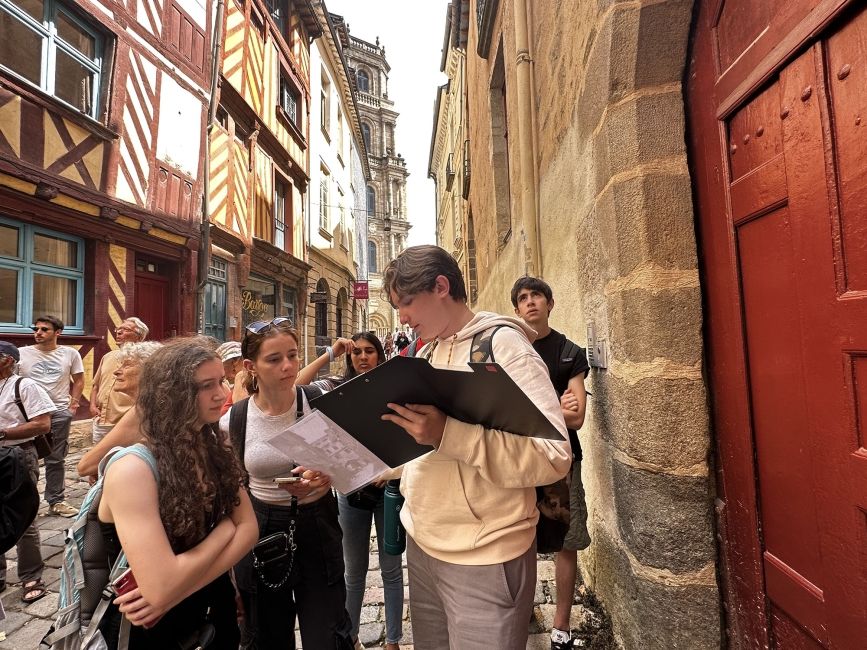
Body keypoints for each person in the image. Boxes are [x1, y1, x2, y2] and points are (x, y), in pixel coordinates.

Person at [379, 245, 571, 649]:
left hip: (486, 556)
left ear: (442, 287)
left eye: (407, 302)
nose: (403, 318)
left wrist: (449, 434)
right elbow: (422, 450)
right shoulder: (426, 351)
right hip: (423, 545)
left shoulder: (505, 347)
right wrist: (350, 466)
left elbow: (554, 455)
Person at [96, 337, 258, 647]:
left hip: (209, 612)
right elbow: (159, 586)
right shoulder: (134, 469)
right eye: (205, 386)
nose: (222, 394)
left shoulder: (215, 444)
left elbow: (249, 529)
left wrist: (177, 590)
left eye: (222, 381)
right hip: (154, 630)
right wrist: (225, 530)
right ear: (172, 394)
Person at [219, 318, 353, 649]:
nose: (288, 366)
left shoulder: (319, 403)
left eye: (292, 356)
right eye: (275, 359)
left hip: (317, 525)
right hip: (262, 528)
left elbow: (351, 463)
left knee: (328, 633)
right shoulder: (234, 419)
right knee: (268, 634)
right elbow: (231, 489)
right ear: (251, 366)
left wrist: (326, 475)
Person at [298, 332, 404, 650]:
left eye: (369, 351)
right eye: (356, 352)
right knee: (354, 572)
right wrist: (331, 352)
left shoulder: (393, 389)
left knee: (391, 570)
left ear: (379, 355)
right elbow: (295, 389)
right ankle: (351, 637)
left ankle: (394, 640)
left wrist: (392, 469)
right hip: (352, 494)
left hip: (389, 494)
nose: (362, 357)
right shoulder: (335, 387)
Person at [511, 276, 591, 650]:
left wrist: (544, 413)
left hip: (563, 462)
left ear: (550, 303)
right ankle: (523, 609)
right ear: (516, 310)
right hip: (521, 462)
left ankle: (561, 625)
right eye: (523, 298)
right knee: (519, 539)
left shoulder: (569, 352)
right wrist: (554, 408)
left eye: (537, 296)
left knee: (566, 543)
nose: (530, 303)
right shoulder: (512, 352)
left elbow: (577, 419)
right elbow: (502, 414)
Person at [0, 341, 53, 603]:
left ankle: (31, 575)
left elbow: (43, 424)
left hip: (19, 456)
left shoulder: (25, 386)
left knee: (23, 516)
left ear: (8, 360)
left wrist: (3, 432)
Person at [18, 315, 84, 518]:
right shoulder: (22, 354)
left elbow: (79, 380)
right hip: (29, 415)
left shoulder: (70, 354)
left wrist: (72, 405)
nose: (38, 333)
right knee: (24, 458)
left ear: (58, 333)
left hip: (58, 413)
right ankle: (23, 502)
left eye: (44, 329)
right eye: (36, 329)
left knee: (56, 459)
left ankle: (56, 501)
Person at [76, 342, 162, 482]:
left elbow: (85, 466)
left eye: (126, 365)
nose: (117, 371)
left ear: (150, 370)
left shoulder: (143, 410)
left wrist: (107, 464)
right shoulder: (160, 404)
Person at [90, 317, 148, 442]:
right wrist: (92, 405)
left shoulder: (145, 360)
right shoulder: (107, 356)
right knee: (100, 459)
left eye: (125, 329)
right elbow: (96, 385)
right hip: (101, 421)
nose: (118, 332)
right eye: (118, 329)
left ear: (139, 336)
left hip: (126, 421)